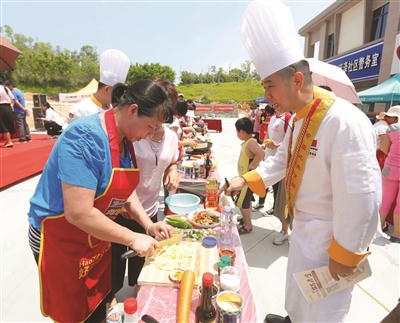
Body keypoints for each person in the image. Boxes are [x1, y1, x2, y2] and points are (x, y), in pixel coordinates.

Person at [221, 1, 381, 322]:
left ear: (296, 80)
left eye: (269, 85)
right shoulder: (297, 120)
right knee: (297, 299)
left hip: (331, 242)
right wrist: (245, 180)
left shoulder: (344, 121)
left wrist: (346, 253)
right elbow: (280, 161)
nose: (266, 95)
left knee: (322, 312)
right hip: (303, 232)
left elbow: (363, 197)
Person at [27, 79, 174, 323]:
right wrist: (133, 237)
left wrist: (147, 225)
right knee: (73, 311)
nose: (150, 134)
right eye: (150, 126)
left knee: (100, 304)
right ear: (133, 110)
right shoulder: (86, 137)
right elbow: (79, 213)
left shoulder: (126, 138)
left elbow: (123, 188)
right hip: (60, 239)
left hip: (94, 238)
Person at [112, 78, 180, 300]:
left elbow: (171, 159)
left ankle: (138, 297)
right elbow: (117, 172)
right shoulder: (131, 132)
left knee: (142, 264)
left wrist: (173, 169)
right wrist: (120, 199)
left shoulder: (169, 135)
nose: (162, 117)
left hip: (148, 209)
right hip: (120, 210)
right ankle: (110, 298)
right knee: (114, 262)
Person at [67, 49, 130, 124]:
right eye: (118, 92)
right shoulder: (79, 109)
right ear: (107, 89)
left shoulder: (116, 111)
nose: (119, 96)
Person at [262, 108, 293, 245]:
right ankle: (284, 231)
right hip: (280, 162)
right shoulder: (279, 117)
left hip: (300, 169)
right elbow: (286, 143)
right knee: (283, 200)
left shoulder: (289, 117)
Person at [234, 117, 265, 234]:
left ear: (242, 131)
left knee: (242, 203)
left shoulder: (251, 143)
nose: (237, 134)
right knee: (247, 201)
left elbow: (261, 154)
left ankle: (247, 225)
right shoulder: (249, 142)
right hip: (246, 179)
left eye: (237, 131)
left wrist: (252, 165)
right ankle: (246, 219)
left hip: (247, 180)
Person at [379, 105, 400, 242]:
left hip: (389, 168)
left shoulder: (392, 128)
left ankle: (379, 227)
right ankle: (396, 235)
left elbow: (383, 148)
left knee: (385, 198)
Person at [0, 78, 15, 148]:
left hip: (1, 107)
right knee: (7, 123)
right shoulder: (6, 88)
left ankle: (9, 141)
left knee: (3, 124)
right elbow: (12, 98)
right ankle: (8, 140)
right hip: (8, 107)